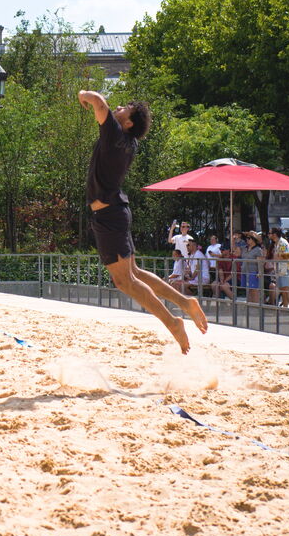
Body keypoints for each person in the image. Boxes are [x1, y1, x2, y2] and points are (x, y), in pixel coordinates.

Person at [77, 90, 206, 354]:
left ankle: (172, 323)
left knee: (124, 281)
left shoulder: (115, 134)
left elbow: (98, 102)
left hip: (109, 216)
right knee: (134, 274)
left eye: (124, 108)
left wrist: (83, 94)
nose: (119, 107)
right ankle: (185, 302)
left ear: (128, 123)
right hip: (115, 213)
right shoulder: (129, 142)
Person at [269, 227, 289, 309]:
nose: (268, 235)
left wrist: (275, 258)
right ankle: (285, 307)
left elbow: (283, 256)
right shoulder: (276, 243)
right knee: (283, 289)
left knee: (287, 288)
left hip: (285, 268)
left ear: (274, 234)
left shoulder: (282, 243)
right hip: (280, 269)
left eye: (270, 233)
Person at [241, 231, 265, 304]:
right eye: (246, 238)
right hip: (245, 271)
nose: (247, 240)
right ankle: (249, 306)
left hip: (253, 272)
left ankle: (256, 306)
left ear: (254, 239)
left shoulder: (258, 249)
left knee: (254, 291)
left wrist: (259, 272)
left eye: (249, 238)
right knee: (248, 290)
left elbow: (260, 262)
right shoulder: (245, 248)